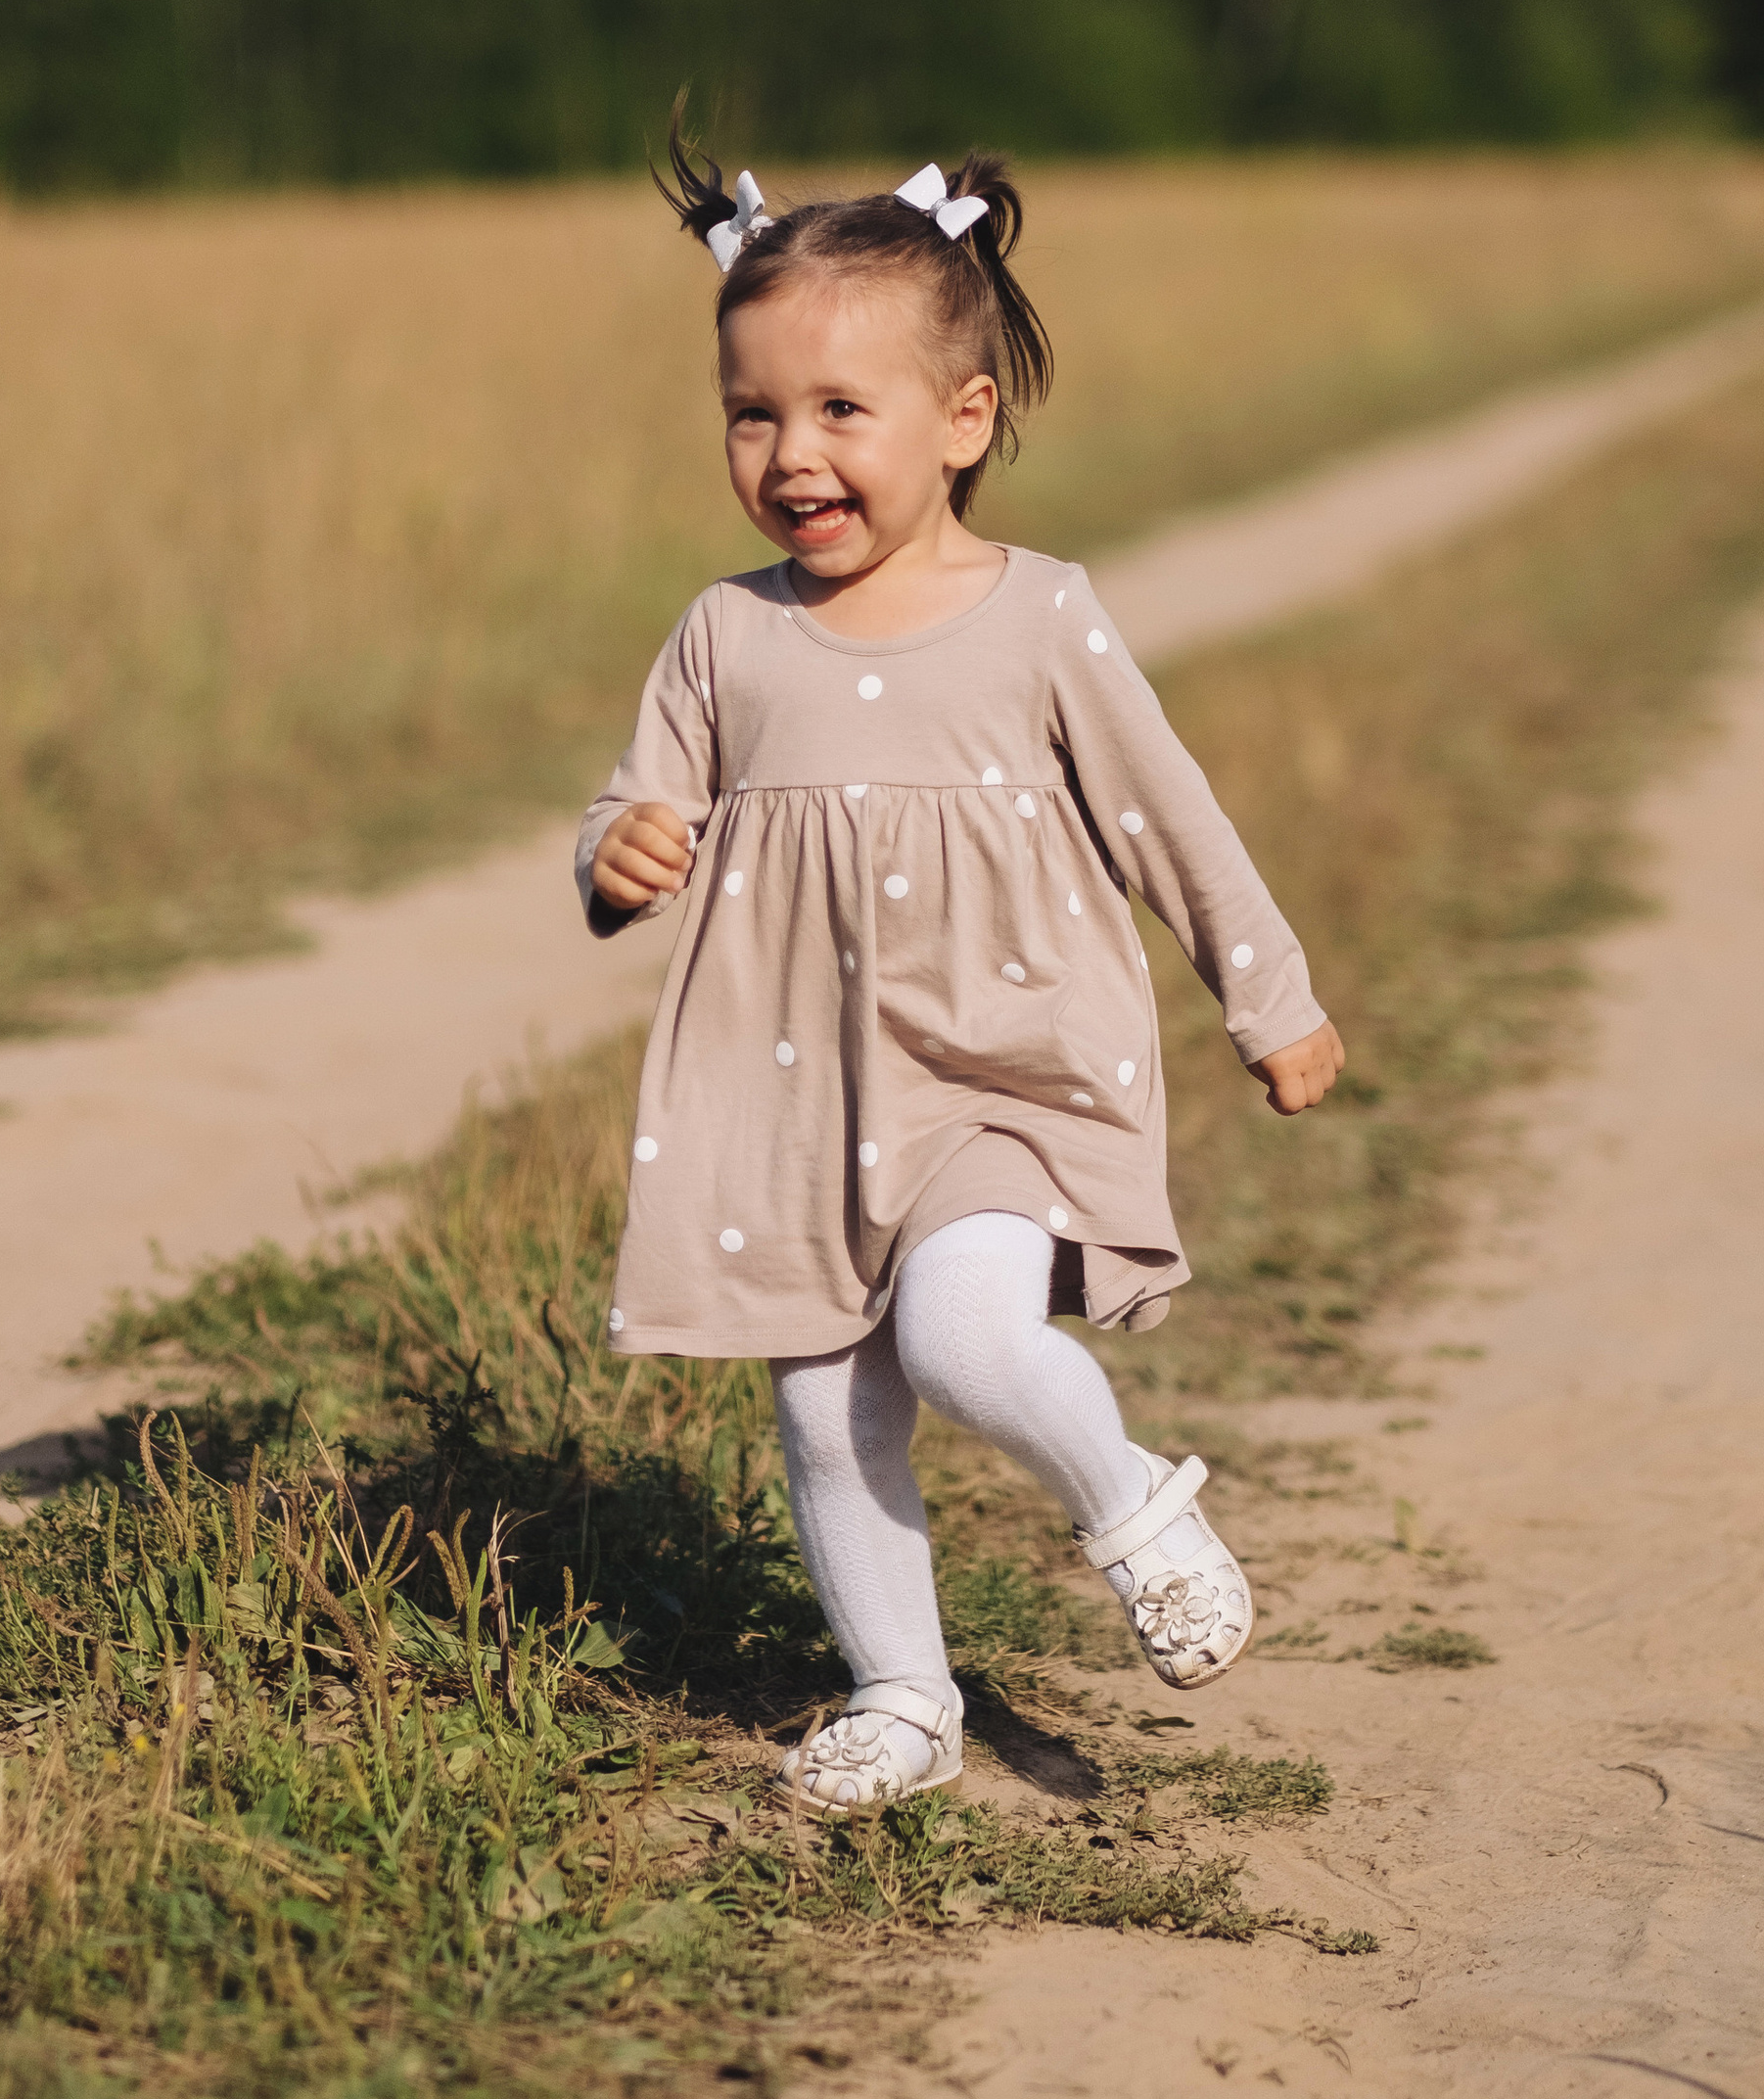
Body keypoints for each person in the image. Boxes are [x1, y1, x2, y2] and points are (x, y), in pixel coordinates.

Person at [577, 134, 1347, 1810]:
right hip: (799, 1093)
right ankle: (901, 1693)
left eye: (842, 411)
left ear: (967, 420)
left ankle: (1134, 1505)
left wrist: (1267, 993)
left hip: (1004, 1076)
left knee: (965, 1336)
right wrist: (616, 850)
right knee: (826, 1409)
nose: (791, 455)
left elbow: (1170, 818)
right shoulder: (725, 633)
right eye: (753, 413)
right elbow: (644, 797)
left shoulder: (1038, 614)